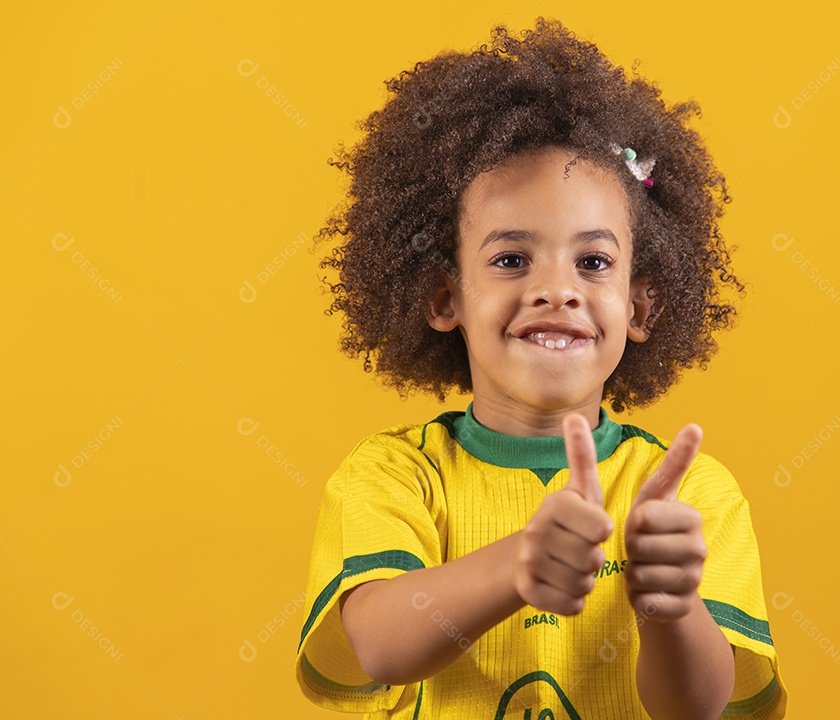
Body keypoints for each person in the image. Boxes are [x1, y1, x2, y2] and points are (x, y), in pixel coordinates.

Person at [295, 16, 787, 719]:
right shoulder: (393, 476)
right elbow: (379, 645)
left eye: (593, 261)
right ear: (444, 297)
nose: (557, 289)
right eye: (510, 259)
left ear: (639, 307)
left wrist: (669, 604)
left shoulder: (687, 495)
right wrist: (521, 561)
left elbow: (695, 709)